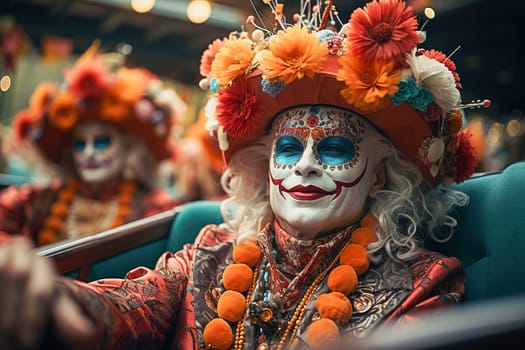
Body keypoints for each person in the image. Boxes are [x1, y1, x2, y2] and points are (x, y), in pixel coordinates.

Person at [0, 0, 488, 349]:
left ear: (380, 176)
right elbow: (131, 305)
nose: (305, 164)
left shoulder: (424, 281)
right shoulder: (209, 254)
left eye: (336, 148)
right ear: (265, 165)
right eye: (289, 147)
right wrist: (53, 302)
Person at [0, 43, 184, 246]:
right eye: (80, 144)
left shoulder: (155, 208)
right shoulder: (38, 201)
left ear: (129, 147)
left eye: (102, 141)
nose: (88, 152)